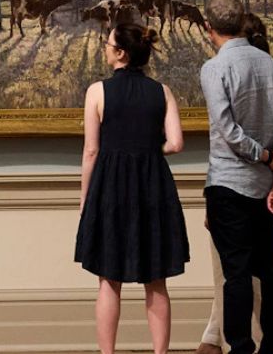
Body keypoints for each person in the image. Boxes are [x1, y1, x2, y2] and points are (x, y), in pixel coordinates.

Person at [76, 23, 189, 354]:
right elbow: (177, 143)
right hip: (153, 184)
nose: (105, 48)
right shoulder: (162, 90)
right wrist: (147, 149)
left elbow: (91, 151)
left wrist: (85, 198)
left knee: (109, 279)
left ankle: (107, 353)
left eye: (107, 43)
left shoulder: (97, 91)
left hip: (110, 186)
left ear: (120, 53)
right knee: (156, 279)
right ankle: (160, 353)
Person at [200, 10, 273, 354]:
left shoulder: (214, 68)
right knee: (270, 269)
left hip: (228, 184)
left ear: (209, 28)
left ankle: (241, 348)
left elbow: (228, 132)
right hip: (263, 187)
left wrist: (263, 156)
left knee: (237, 274)